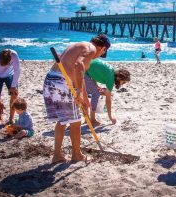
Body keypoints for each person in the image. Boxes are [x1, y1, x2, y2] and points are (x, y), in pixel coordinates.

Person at [43, 34, 111, 163]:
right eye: (102, 53)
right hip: (62, 82)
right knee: (75, 122)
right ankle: (76, 155)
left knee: (63, 120)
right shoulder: (91, 48)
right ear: (102, 48)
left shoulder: (79, 46)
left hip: (51, 80)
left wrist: (85, 98)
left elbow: (78, 75)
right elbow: (78, 65)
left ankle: (57, 155)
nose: (99, 56)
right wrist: (79, 92)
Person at [85, 59, 130, 126]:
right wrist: (110, 117)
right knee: (96, 93)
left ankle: (87, 118)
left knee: (93, 92)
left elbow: (94, 72)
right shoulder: (110, 79)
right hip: (83, 71)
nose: (122, 84)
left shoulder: (111, 72)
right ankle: (92, 119)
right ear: (119, 78)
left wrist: (96, 86)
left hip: (86, 68)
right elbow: (108, 101)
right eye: (123, 82)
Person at [0, 49, 20, 125]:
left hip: (10, 74)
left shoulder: (14, 55)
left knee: (14, 95)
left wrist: (13, 86)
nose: (4, 67)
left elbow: (17, 71)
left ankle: (11, 118)